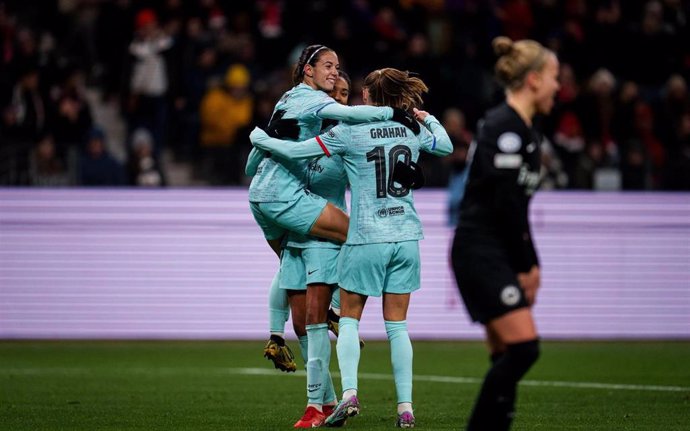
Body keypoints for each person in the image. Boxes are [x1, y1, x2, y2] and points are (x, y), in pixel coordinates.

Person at [250, 67, 452, 429]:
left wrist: (260, 139)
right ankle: (405, 408)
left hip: (367, 236)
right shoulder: (411, 128)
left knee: (348, 321)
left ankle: (348, 396)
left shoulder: (350, 132)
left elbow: (297, 153)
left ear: (369, 99)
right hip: (406, 237)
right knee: (398, 327)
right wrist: (427, 116)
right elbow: (446, 145)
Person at [245, 45, 418, 375]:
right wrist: (394, 114)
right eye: (329, 68)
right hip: (288, 201)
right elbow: (351, 117)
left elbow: (253, 165)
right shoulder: (322, 113)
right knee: (358, 235)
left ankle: (281, 343)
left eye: (340, 78)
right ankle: (334, 313)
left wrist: (263, 141)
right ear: (308, 70)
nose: (336, 79)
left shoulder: (295, 108)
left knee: (289, 274)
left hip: (266, 200)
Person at [450, 36, 560, 431]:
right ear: (533, 80)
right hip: (480, 250)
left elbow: (518, 208)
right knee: (524, 349)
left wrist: (528, 262)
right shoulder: (504, 127)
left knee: (506, 356)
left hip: (494, 250)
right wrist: (528, 264)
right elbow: (505, 206)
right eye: (553, 77)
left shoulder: (527, 131)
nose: (558, 87)